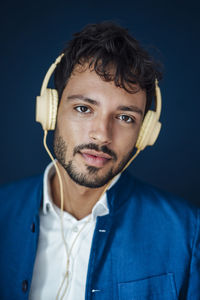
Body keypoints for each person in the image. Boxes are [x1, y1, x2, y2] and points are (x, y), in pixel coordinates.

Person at [0, 22, 199, 300]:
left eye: (125, 117)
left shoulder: (188, 232)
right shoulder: (3, 213)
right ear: (51, 112)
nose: (102, 135)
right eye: (84, 108)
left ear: (144, 134)